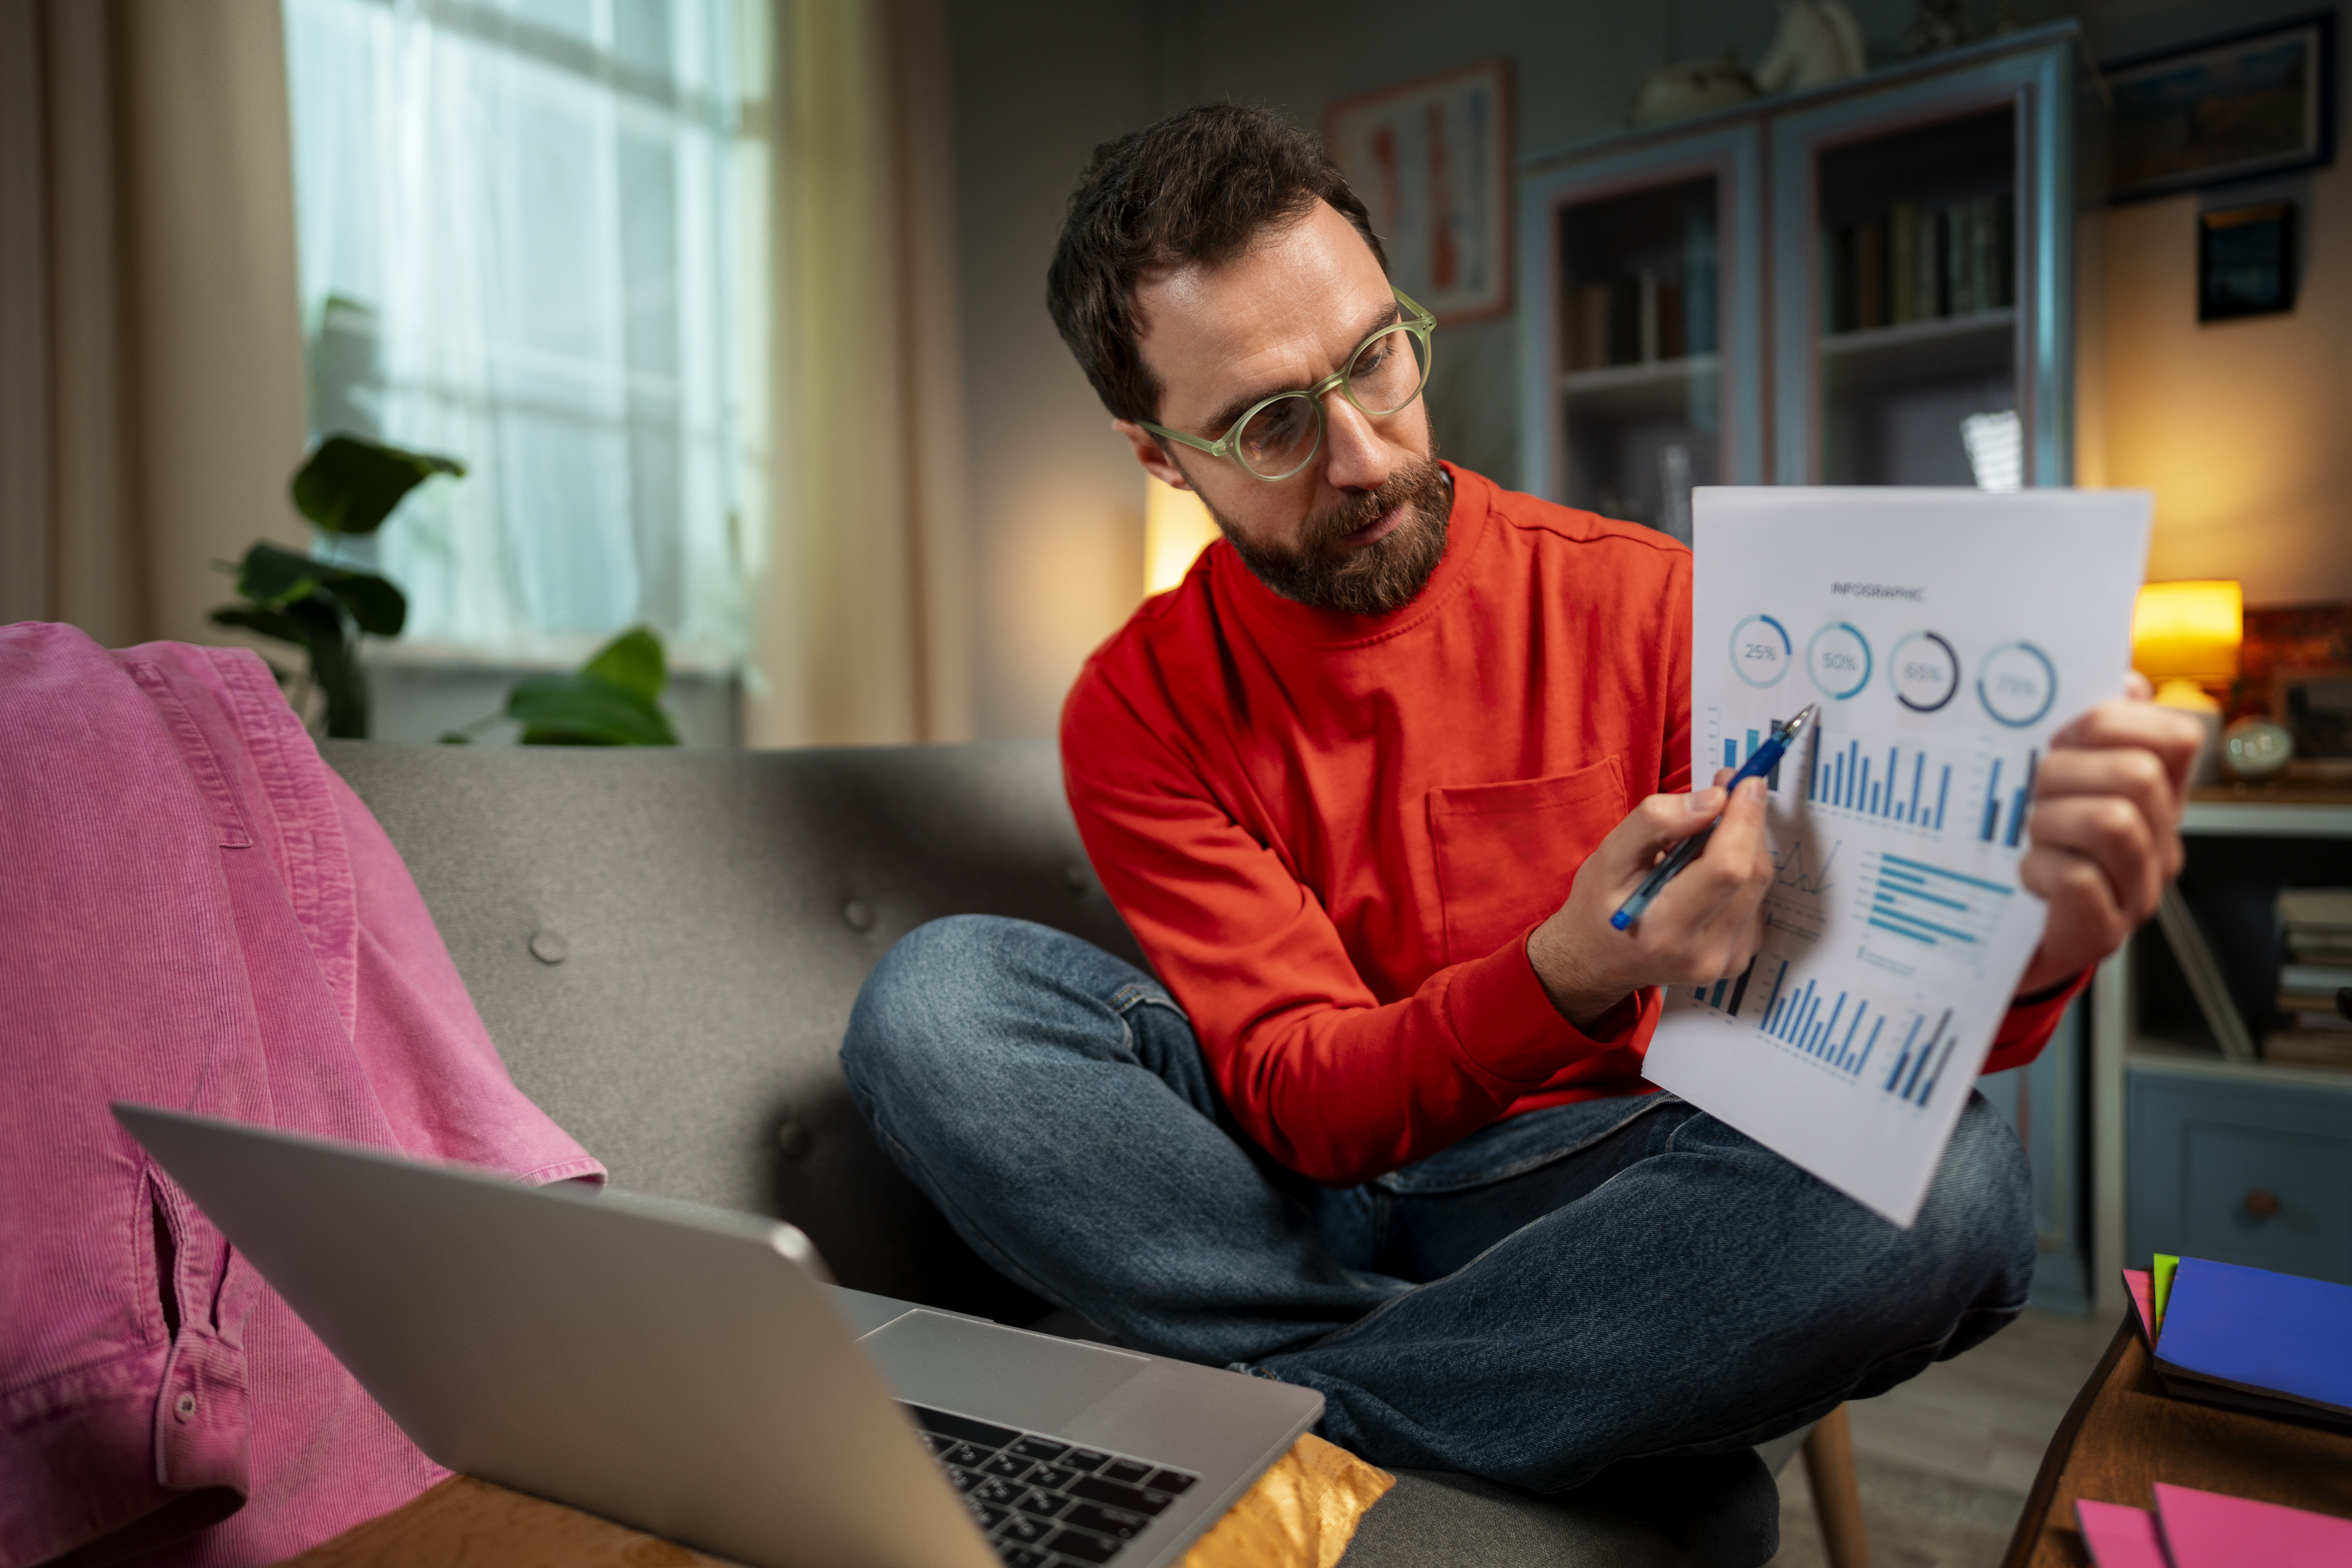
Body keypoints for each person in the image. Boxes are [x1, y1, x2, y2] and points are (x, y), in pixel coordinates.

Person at [840, 105, 2197, 1503]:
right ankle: (1567, 1427)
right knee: (938, 1003)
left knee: (1954, 1184)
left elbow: (1833, 1022)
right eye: (1269, 426)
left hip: (1599, 1182)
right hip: (1290, 1186)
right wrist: (1566, 967)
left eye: (1377, 359)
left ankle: (1316, 1417)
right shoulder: (1138, 704)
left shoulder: (1650, 600)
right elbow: (1307, 1100)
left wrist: (2034, 936)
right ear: (1160, 457)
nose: (1364, 454)